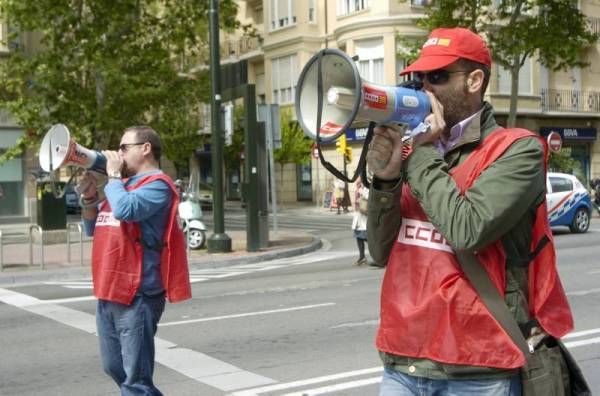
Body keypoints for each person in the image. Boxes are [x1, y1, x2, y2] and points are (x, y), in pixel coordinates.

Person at [366, 27, 573, 395]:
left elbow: (466, 228)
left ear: (475, 80)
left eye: (438, 76)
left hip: (478, 368)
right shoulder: (418, 151)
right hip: (404, 360)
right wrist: (385, 181)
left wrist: (419, 153)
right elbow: (380, 252)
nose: (424, 88)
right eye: (419, 78)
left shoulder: (516, 150)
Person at [78, 126, 191, 395]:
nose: (118, 153)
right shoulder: (123, 186)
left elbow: (126, 210)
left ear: (146, 148)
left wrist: (114, 176)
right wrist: (90, 198)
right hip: (109, 291)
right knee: (114, 367)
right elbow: (93, 227)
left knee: (135, 380)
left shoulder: (158, 186)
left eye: (123, 148)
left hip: (137, 294)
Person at [351, 177, 369, 266]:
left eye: (358, 182)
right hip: (358, 217)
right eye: (356, 183)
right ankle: (362, 257)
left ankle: (381, 255)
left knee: (367, 238)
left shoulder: (366, 189)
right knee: (358, 237)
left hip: (364, 217)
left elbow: (369, 198)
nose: (357, 184)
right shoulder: (358, 190)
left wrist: (361, 192)